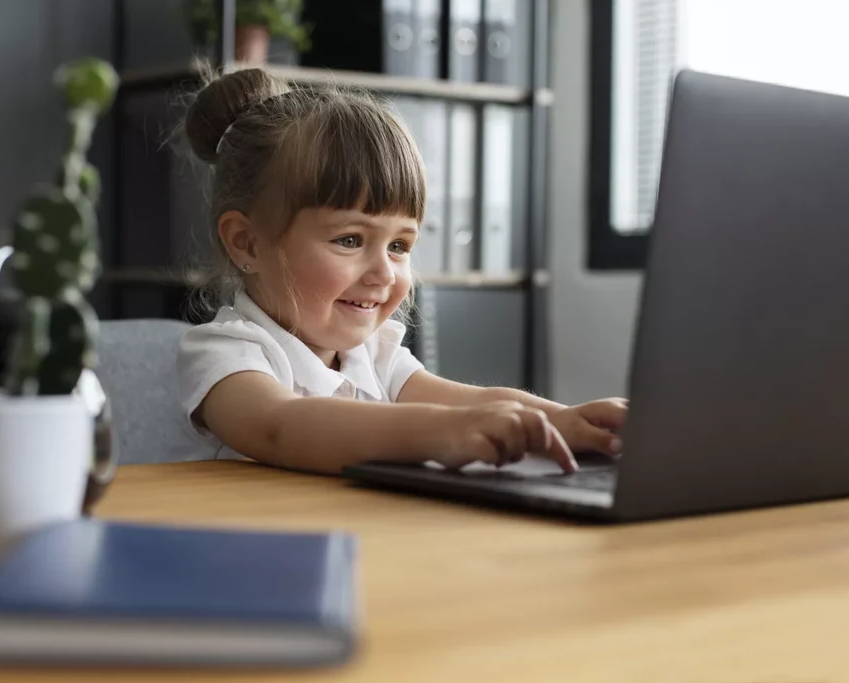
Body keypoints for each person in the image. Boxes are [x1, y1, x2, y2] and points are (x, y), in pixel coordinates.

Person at [175, 65, 628, 475]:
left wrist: (561, 420)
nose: (384, 274)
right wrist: (442, 432)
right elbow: (282, 426)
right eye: (349, 240)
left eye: (398, 246)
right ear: (246, 243)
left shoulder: (374, 354)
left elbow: (467, 400)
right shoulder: (226, 352)